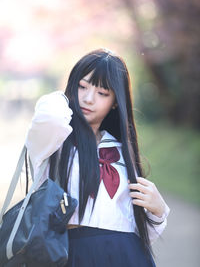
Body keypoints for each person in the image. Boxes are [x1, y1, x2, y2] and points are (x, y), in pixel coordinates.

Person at [25, 48, 170, 267]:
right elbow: (49, 115)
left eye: (102, 93)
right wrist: (67, 96)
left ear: (115, 102)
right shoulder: (53, 139)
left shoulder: (122, 151)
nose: (89, 99)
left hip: (127, 256)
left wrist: (159, 211)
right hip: (75, 255)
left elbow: (137, 232)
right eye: (82, 86)